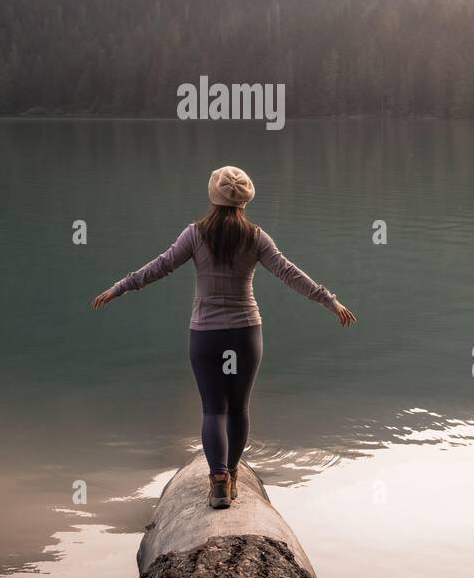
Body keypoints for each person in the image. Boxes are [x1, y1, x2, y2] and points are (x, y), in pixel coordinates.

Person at [92, 165, 356, 509]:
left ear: (212, 196)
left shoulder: (195, 234)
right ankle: (231, 475)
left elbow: (160, 265)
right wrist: (330, 301)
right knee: (238, 409)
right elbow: (289, 273)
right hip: (246, 332)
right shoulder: (256, 236)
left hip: (206, 334)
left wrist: (120, 288)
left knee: (213, 410)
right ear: (245, 199)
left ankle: (217, 482)